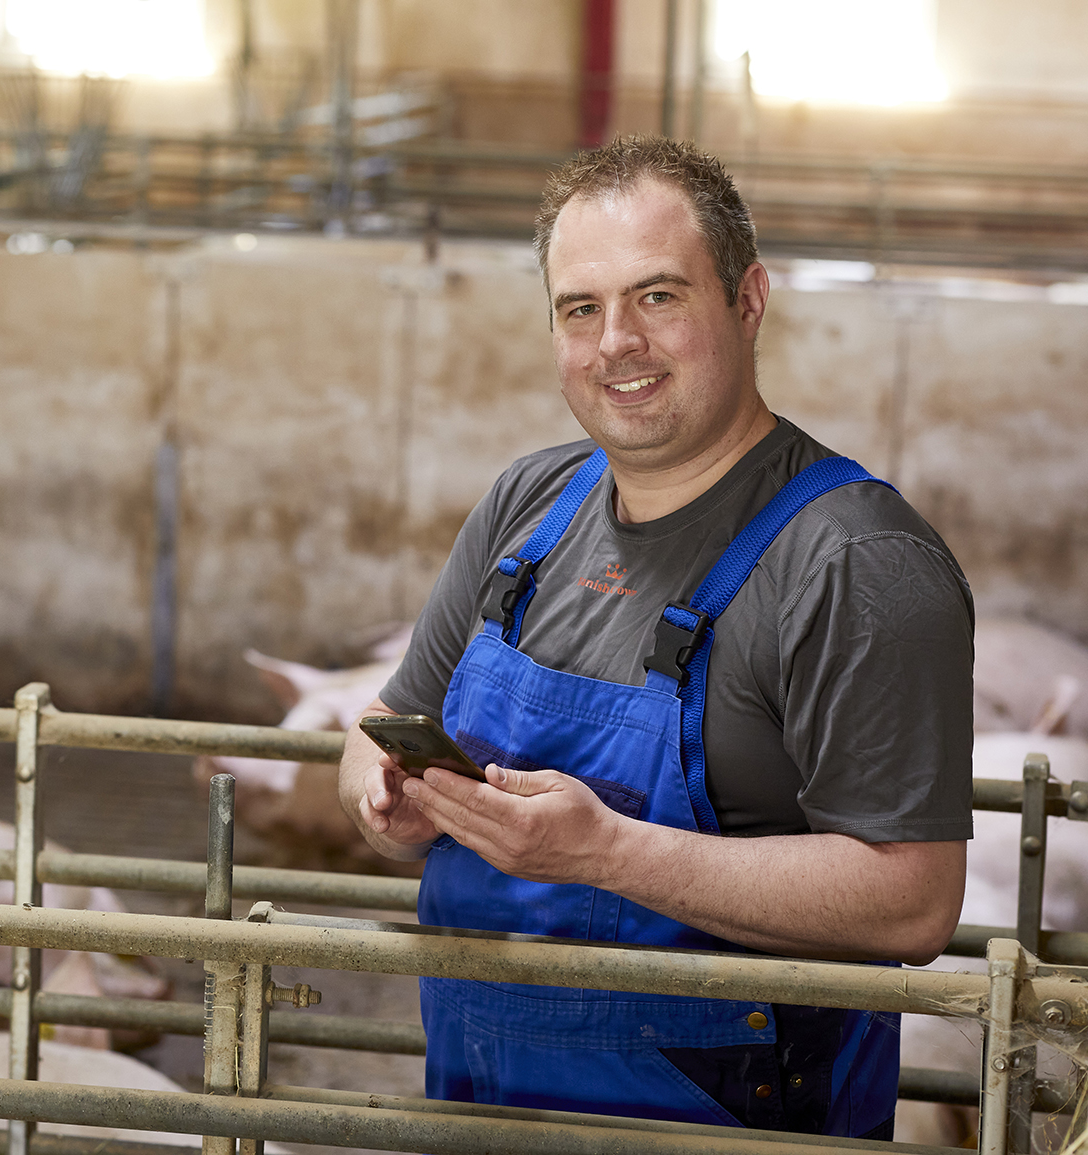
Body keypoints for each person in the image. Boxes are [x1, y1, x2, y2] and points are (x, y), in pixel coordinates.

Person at [337, 136, 973, 1140]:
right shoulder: (526, 507)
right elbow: (381, 723)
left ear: (748, 301)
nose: (614, 343)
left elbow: (910, 904)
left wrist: (604, 853)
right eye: (578, 309)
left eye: (659, 297)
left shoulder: (857, 562)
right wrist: (384, 795)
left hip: (723, 1110)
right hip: (477, 1087)